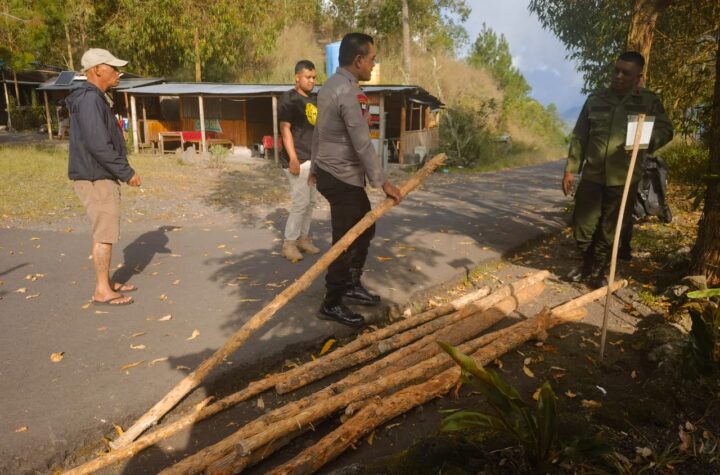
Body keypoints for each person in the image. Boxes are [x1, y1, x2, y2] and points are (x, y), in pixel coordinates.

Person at [311, 32, 402, 327]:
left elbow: (318, 131)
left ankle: (350, 285)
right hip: (341, 176)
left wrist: (314, 166)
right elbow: (362, 143)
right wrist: (384, 182)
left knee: (364, 228)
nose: (374, 64)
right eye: (372, 59)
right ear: (359, 60)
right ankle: (332, 302)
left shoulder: (330, 86)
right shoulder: (348, 93)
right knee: (346, 240)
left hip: (332, 172)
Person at [563, 51, 673, 287]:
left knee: (610, 228)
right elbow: (580, 136)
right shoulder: (595, 99)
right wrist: (570, 169)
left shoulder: (648, 101)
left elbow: (666, 129)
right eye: (616, 70)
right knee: (582, 225)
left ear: (638, 77)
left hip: (624, 176)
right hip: (592, 174)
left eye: (626, 73)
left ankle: (598, 269)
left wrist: (646, 140)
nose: (619, 76)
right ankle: (588, 261)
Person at [66, 48, 142, 305]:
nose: (118, 73)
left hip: (97, 174)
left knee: (105, 231)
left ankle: (106, 282)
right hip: (95, 176)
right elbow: (98, 144)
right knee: (105, 233)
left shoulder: (95, 98)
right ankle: (102, 290)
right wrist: (126, 172)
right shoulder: (90, 100)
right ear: (97, 69)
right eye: (113, 68)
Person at [279, 60, 320, 262]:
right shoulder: (289, 98)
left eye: (314, 77)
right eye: (307, 77)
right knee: (300, 202)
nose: (311, 81)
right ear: (297, 77)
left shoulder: (314, 99)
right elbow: (285, 129)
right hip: (297, 160)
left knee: (310, 202)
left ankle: (303, 239)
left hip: (313, 159)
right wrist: (293, 158)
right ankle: (289, 244)